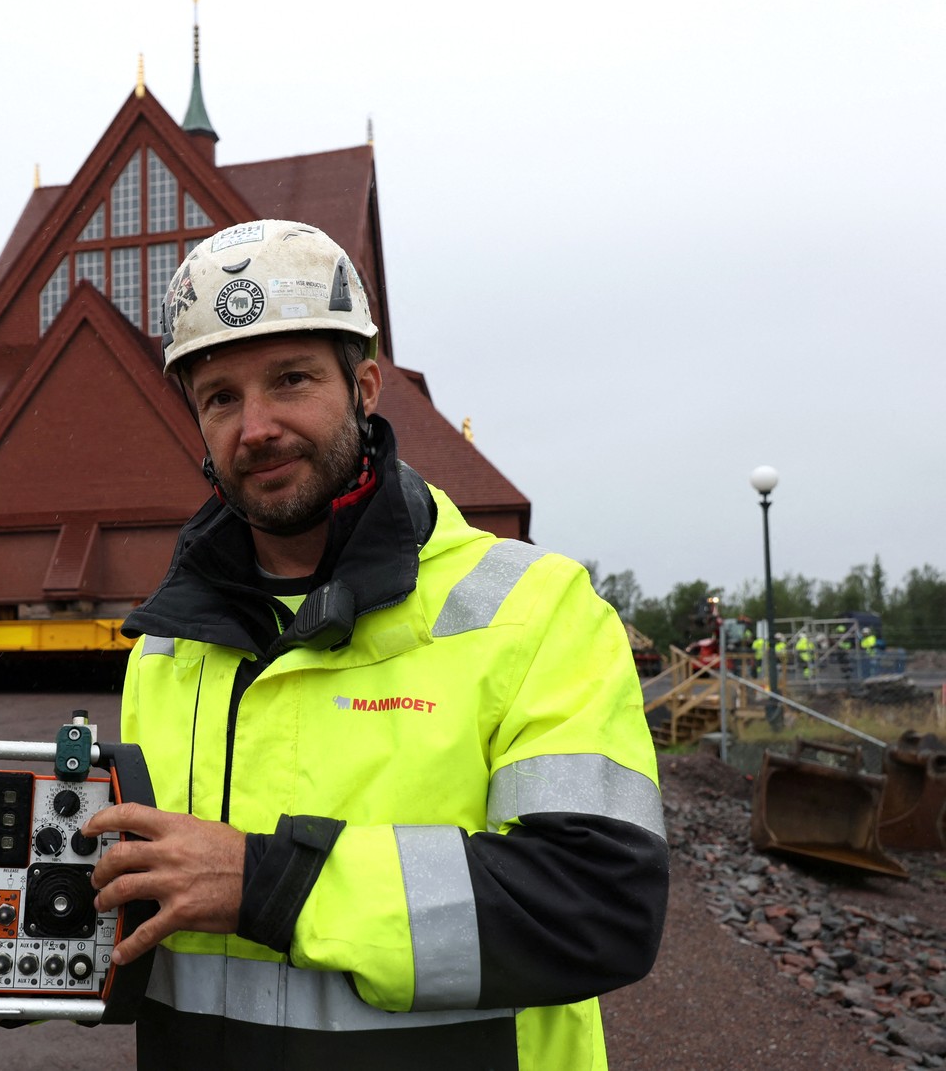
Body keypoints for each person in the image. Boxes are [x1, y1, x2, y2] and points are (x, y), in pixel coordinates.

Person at [69, 220, 667, 1069]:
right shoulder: (166, 651)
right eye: (221, 397)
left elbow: (598, 906)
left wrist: (271, 884)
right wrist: (0, 969)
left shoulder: (536, 612)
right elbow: (143, 903)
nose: (256, 426)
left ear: (366, 386)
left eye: (291, 379)